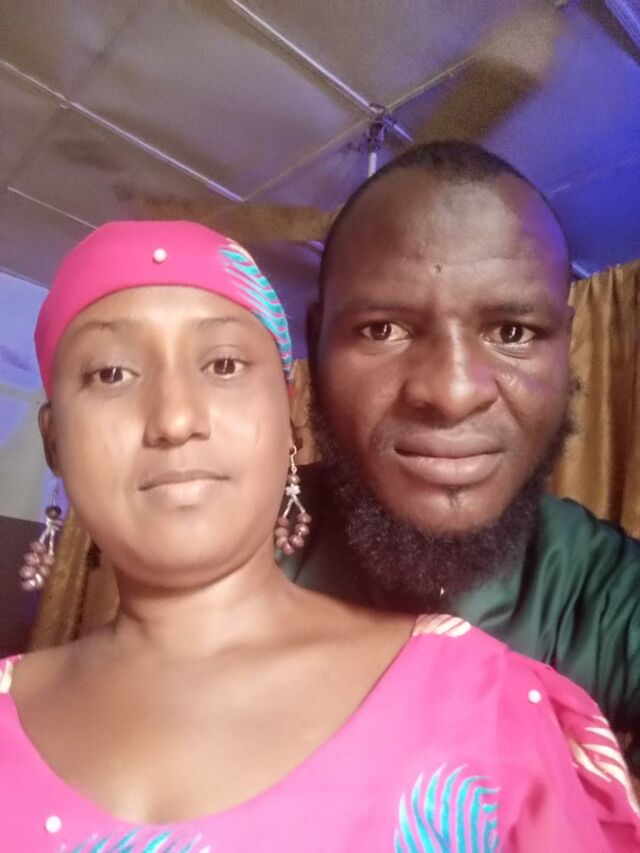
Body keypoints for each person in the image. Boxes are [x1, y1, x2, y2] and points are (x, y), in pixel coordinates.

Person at [1, 221, 638, 850]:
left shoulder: (488, 704)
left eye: (223, 364)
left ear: (289, 417)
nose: (174, 418)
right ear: (55, 441)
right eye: (111, 374)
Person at [281, 141, 640, 765]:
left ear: (566, 348)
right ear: (318, 344)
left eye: (512, 332)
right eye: (382, 330)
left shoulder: (604, 592)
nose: (451, 393)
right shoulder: (243, 547)